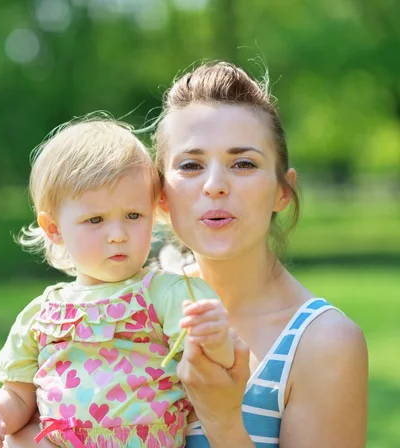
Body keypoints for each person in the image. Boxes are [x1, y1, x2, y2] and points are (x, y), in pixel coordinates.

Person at [0, 118, 235, 448]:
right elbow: (19, 398)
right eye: (95, 220)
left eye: (133, 216)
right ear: (54, 229)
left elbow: (212, 366)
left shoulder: (164, 294)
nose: (118, 235)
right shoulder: (41, 315)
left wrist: (214, 337)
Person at [154, 61, 368, 447]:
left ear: (282, 191)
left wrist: (221, 419)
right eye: (191, 165)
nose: (215, 185)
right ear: (161, 197)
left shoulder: (324, 343)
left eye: (243, 163)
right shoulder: (130, 307)